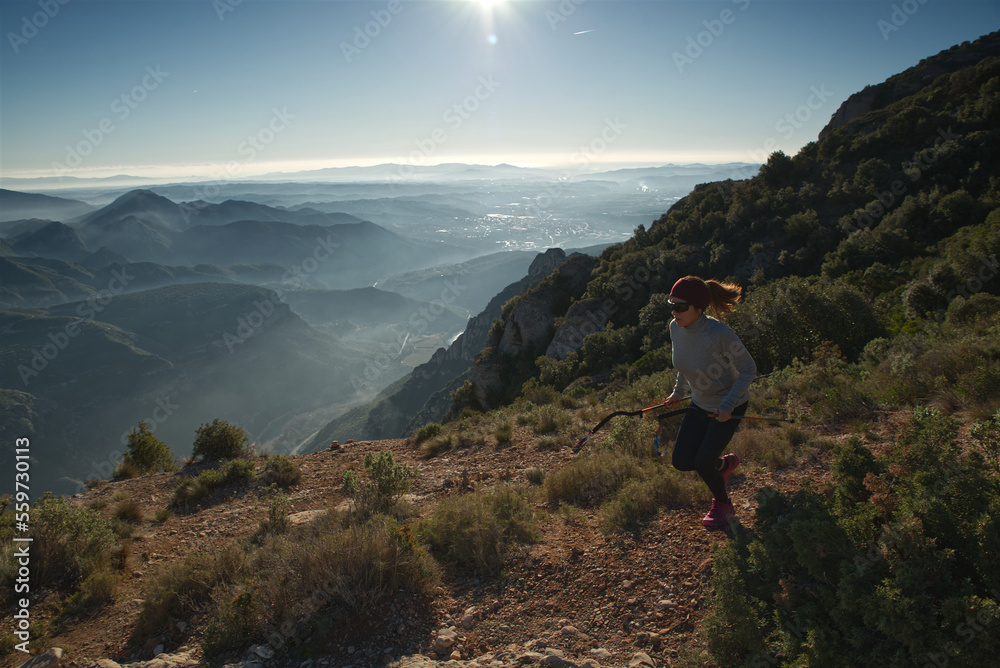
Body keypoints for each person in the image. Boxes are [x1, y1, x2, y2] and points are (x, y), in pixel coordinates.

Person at [662, 275, 757, 527]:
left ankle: (724, 506)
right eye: (671, 305)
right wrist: (678, 393)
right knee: (682, 461)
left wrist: (728, 405)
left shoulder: (719, 333)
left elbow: (748, 369)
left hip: (729, 405)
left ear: (699, 309)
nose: (674, 312)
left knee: (702, 462)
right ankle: (723, 466)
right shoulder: (676, 328)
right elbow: (685, 364)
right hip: (699, 403)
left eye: (680, 307)